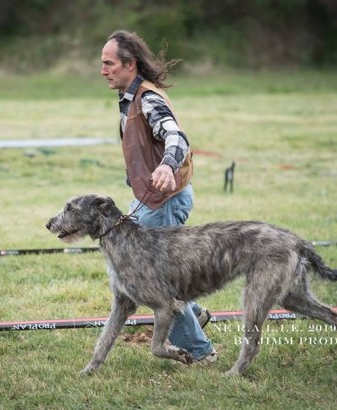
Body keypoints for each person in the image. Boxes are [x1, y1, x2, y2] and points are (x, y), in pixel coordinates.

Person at [100, 30, 217, 363]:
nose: (103, 70)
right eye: (103, 63)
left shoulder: (148, 98)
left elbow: (176, 138)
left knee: (158, 283)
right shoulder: (129, 97)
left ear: (129, 64)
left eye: (109, 64)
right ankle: (197, 316)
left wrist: (167, 166)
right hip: (149, 199)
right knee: (155, 275)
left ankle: (200, 352)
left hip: (164, 200)